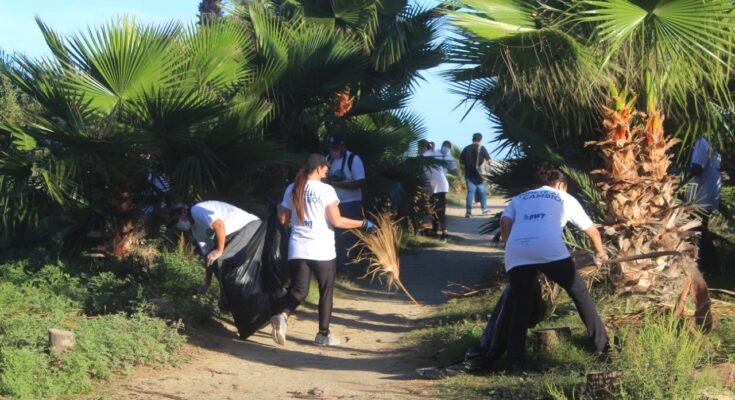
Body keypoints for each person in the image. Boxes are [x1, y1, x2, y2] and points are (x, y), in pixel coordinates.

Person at [499, 163, 609, 372]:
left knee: (521, 305)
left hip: (517, 250)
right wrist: (599, 253)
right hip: (550, 248)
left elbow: (505, 223)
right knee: (579, 294)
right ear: (560, 184)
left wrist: (511, 245)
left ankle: (515, 362)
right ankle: (602, 348)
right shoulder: (563, 197)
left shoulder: (520, 198)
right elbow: (592, 231)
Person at [271, 154, 376, 347]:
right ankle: (323, 334)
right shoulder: (326, 190)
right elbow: (337, 221)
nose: (328, 171)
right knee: (326, 291)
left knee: (299, 291)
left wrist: (278, 206)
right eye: (326, 168)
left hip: (298, 248)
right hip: (322, 249)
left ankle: (282, 315)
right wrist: (363, 224)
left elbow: (283, 219)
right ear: (318, 168)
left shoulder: (292, 188)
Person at [172, 201, 261, 294]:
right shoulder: (196, 230)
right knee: (214, 261)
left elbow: (219, 225)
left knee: (222, 262)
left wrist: (219, 250)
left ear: (184, 211)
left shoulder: (196, 210)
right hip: (233, 235)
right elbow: (207, 256)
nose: (178, 224)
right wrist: (207, 283)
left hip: (248, 226)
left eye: (177, 220)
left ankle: (238, 295)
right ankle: (229, 295)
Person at [325, 134, 366, 273]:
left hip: (350, 203)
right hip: (332, 204)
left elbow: (360, 182)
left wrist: (337, 184)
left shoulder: (353, 159)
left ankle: (347, 266)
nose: (333, 151)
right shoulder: (328, 159)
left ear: (343, 146)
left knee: (347, 236)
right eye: (331, 148)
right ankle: (335, 265)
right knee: (333, 235)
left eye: (336, 148)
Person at [688, 137, 722, 275]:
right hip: (709, 197)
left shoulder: (702, 141)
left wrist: (676, 172)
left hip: (699, 197)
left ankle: (706, 267)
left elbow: (697, 169)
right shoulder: (715, 145)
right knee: (702, 232)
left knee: (697, 232)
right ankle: (711, 267)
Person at [419, 139, 451, 239]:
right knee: (439, 209)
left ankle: (438, 231)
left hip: (432, 185)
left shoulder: (423, 157)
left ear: (423, 147)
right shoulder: (435, 153)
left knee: (431, 209)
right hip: (442, 185)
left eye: (419, 148)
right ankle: (440, 231)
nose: (419, 150)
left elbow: (422, 174)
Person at [460, 133, 492, 218]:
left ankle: (468, 212)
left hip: (469, 174)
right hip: (480, 175)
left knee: (470, 192)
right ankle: (484, 210)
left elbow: (461, 161)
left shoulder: (466, 148)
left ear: (472, 139)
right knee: (482, 192)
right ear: (480, 140)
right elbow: (489, 160)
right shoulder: (482, 148)